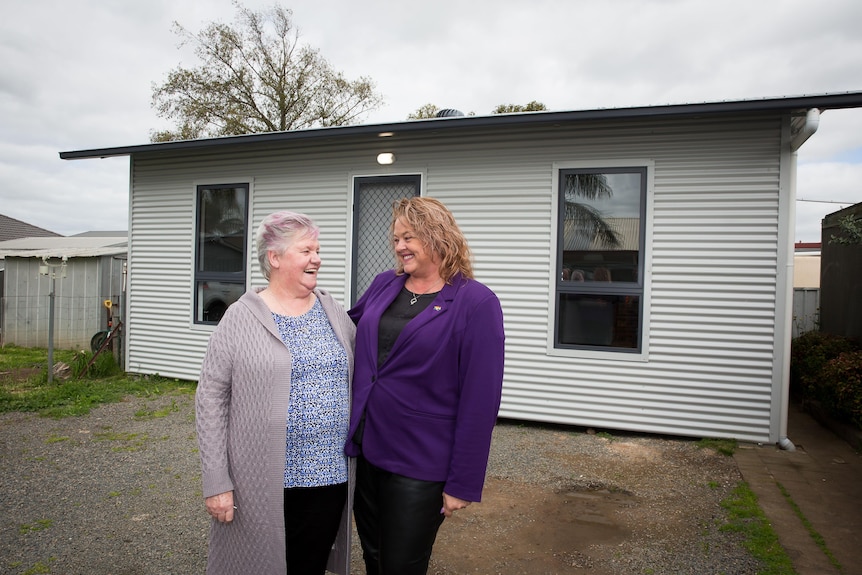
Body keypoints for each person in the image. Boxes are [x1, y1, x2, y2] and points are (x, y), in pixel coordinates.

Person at [345, 197, 505, 575]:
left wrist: (463, 482)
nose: (400, 246)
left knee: (402, 565)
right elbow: (346, 330)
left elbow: (480, 401)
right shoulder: (385, 284)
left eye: (410, 237)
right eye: (397, 238)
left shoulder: (476, 302)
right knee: (374, 557)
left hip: (420, 463)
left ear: (439, 237)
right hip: (368, 450)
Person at [195, 211, 356, 575]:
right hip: (260, 483)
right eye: (306, 250)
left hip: (328, 476)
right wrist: (216, 481)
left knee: (308, 565)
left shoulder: (333, 311)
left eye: (317, 250)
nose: (317, 258)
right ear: (275, 257)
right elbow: (210, 401)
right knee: (259, 566)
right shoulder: (240, 318)